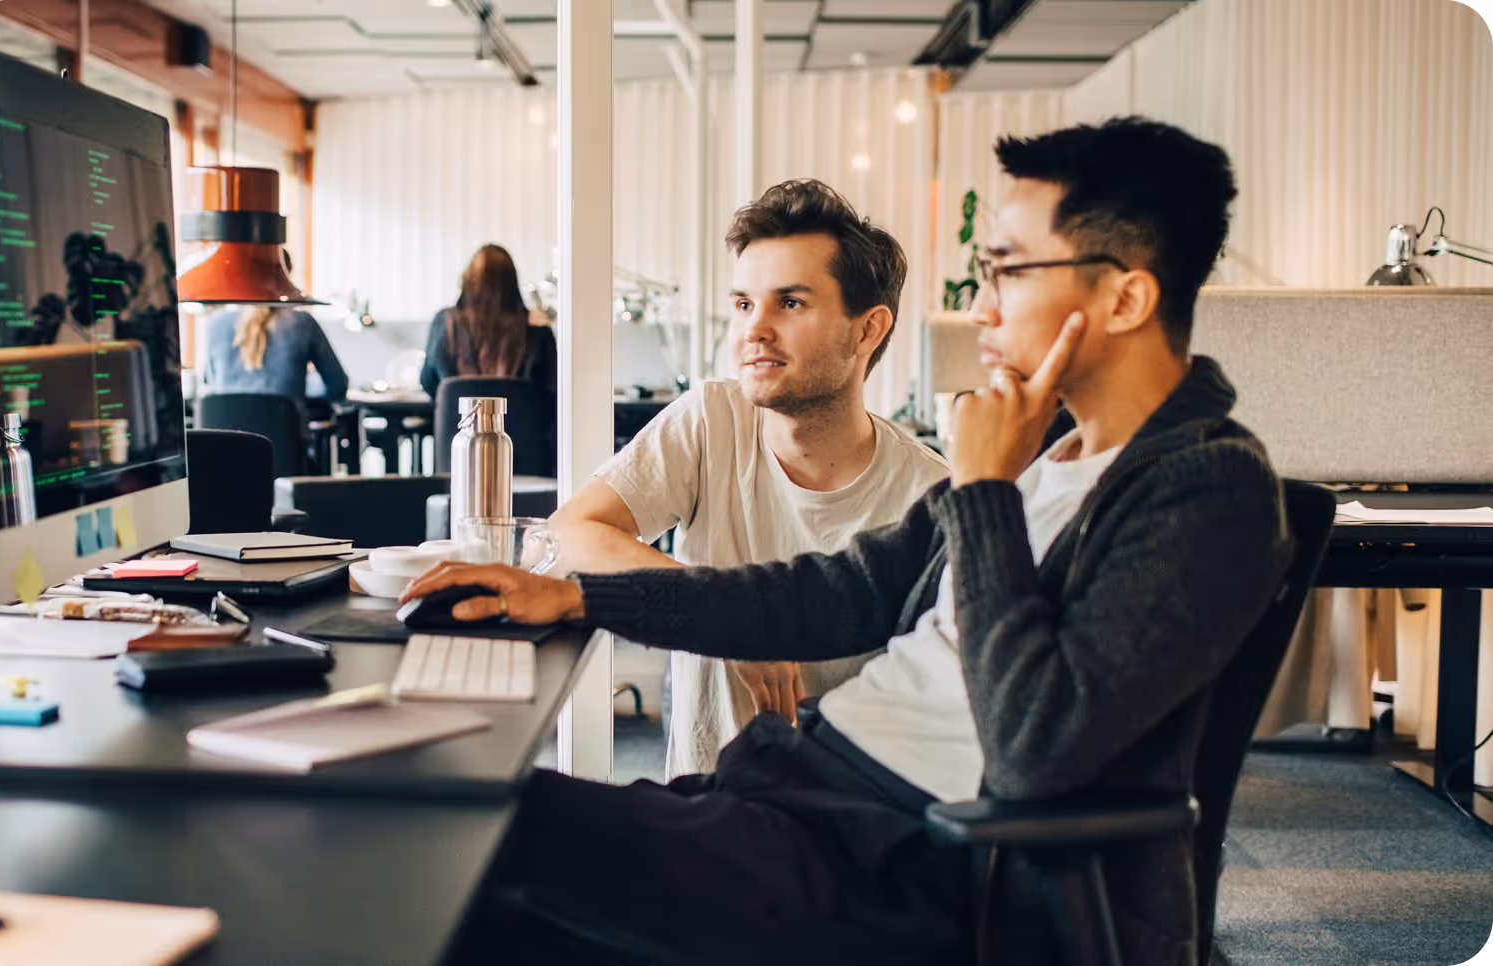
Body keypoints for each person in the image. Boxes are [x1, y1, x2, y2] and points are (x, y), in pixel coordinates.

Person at [405, 116, 1295, 966]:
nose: (980, 307)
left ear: (1126, 295)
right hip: (803, 792)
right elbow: (825, 592)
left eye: (1009, 271)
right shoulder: (1052, 456)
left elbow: (1036, 744)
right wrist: (579, 594)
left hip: (898, 860)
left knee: (460, 854)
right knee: (448, 820)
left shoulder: (1209, 486)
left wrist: (982, 489)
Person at [549, 179, 949, 778]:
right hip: (700, 808)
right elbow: (574, 531)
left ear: (867, 329)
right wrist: (730, 622)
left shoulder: (930, 494)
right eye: (742, 304)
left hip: (843, 828)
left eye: (790, 303)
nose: (753, 330)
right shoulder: (711, 419)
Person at [420, 244, 556, 400]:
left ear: (467, 282)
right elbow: (550, 389)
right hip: (519, 423)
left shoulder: (444, 323)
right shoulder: (537, 331)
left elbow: (428, 382)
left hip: (455, 423)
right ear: (511, 284)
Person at [204, 305, 349, 404]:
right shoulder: (302, 322)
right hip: (284, 440)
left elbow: (213, 383)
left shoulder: (215, 323)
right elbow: (337, 386)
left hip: (226, 442)